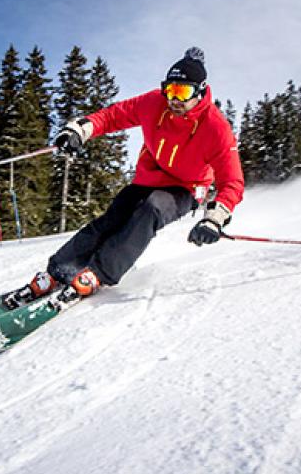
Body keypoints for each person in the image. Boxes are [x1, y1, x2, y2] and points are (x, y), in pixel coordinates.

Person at [26, 47, 245, 305]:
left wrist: (214, 219)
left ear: (200, 91)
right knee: (113, 218)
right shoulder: (154, 103)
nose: (174, 98)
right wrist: (78, 131)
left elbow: (232, 181)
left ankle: (99, 273)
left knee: (150, 211)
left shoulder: (215, 128)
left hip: (186, 187)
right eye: (170, 89)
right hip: (149, 177)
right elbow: (112, 116)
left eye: (182, 91)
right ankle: (59, 270)